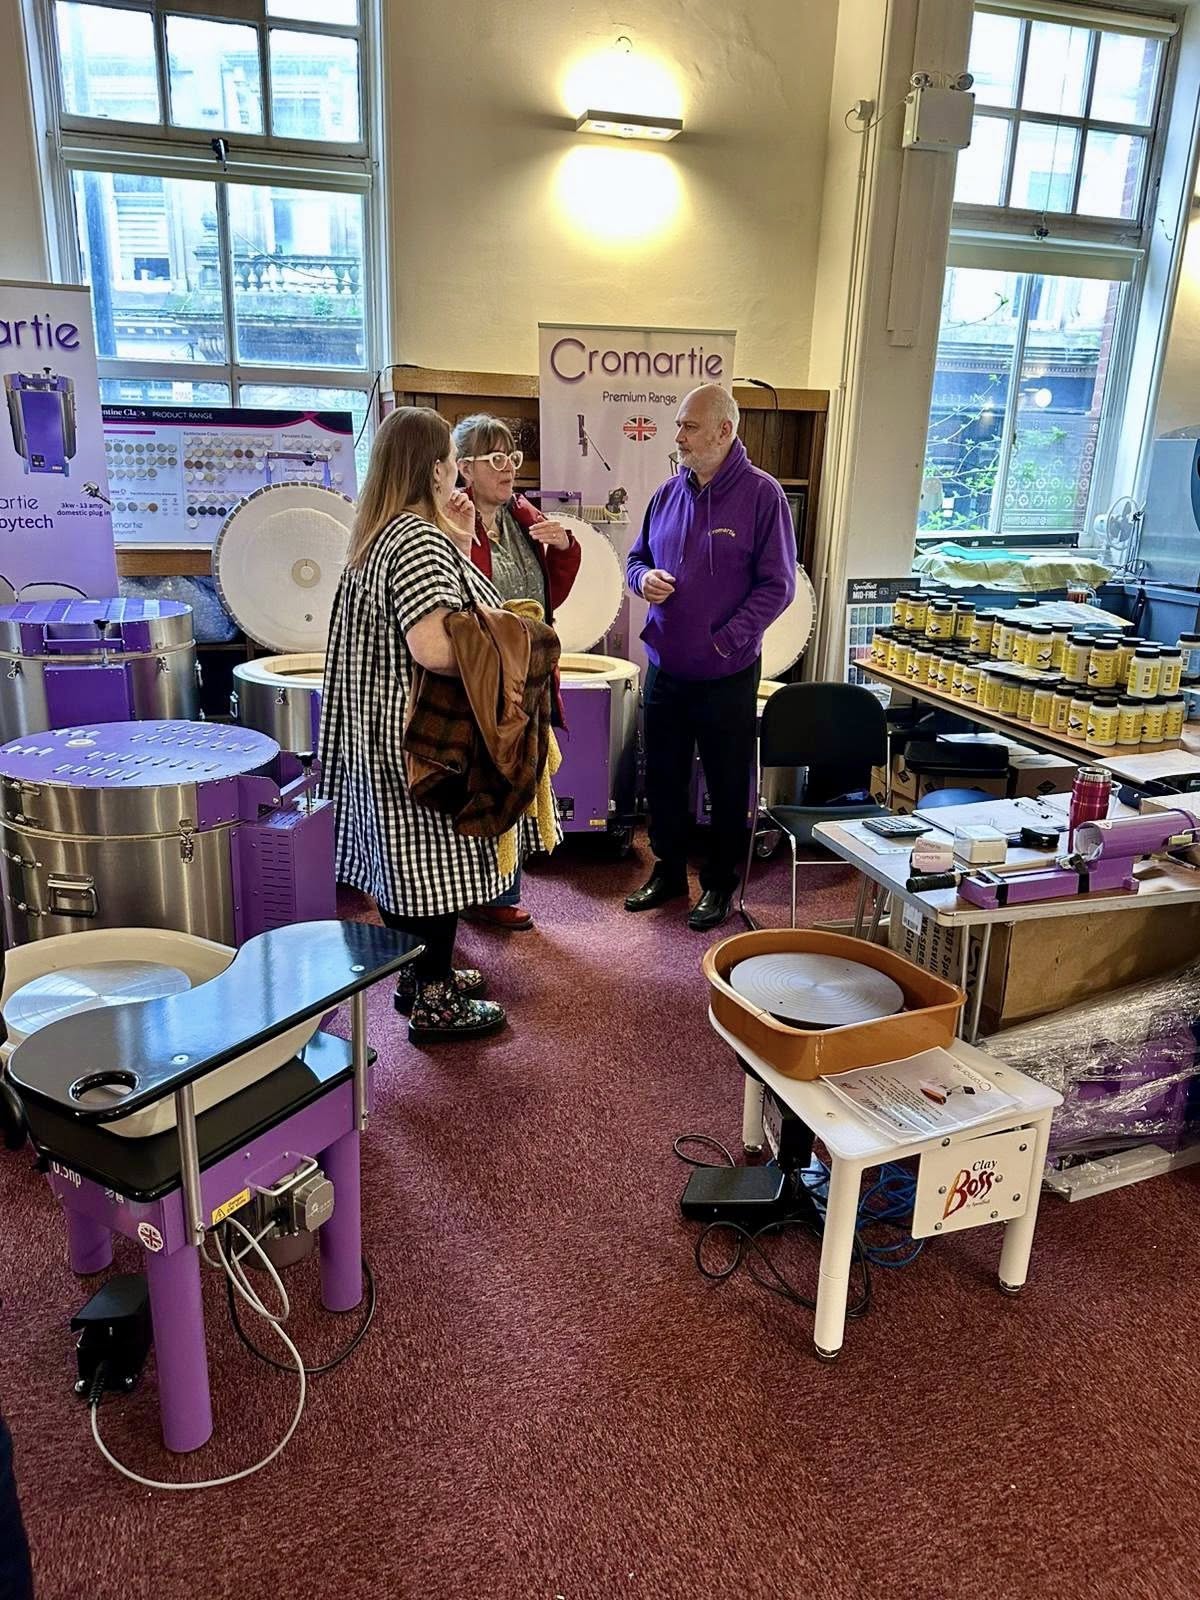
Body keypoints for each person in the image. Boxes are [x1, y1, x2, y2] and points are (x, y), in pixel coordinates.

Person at [320, 406, 512, 1043]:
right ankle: (433, 1000)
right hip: (424, 739)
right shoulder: (414, 540)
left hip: (381, 733)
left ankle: (418, 976)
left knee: (406, 866)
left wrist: (458, 543)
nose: (457, 473)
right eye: (454, 462)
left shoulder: (377, 537)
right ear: (435, 467)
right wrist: (514, 649)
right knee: (433, 868)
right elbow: (433, 643)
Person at [624, 383, 796, 931]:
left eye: (689, 426)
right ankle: (669, 871)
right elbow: (636, 557)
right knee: (665, 778)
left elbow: (779, 586)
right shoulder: (666, 494)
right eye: (678, 425)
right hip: (667, 668)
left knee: (725, 784)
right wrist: (641, 578)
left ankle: (720, 885)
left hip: (727, 672)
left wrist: (727, 639)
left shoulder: (762, 496)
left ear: (725, 431)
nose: (677, 436)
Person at [453, 413, 581, 932]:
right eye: (496, 459)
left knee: (521, 776)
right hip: (482, 674)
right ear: (464, 468)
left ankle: (503, 889)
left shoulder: (521, 514)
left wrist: (565, 547)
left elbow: (553, 593)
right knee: (481, 779)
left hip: (528, 669)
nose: (510, 470)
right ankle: (465, 889)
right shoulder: (448, 518)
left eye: (513, 458)